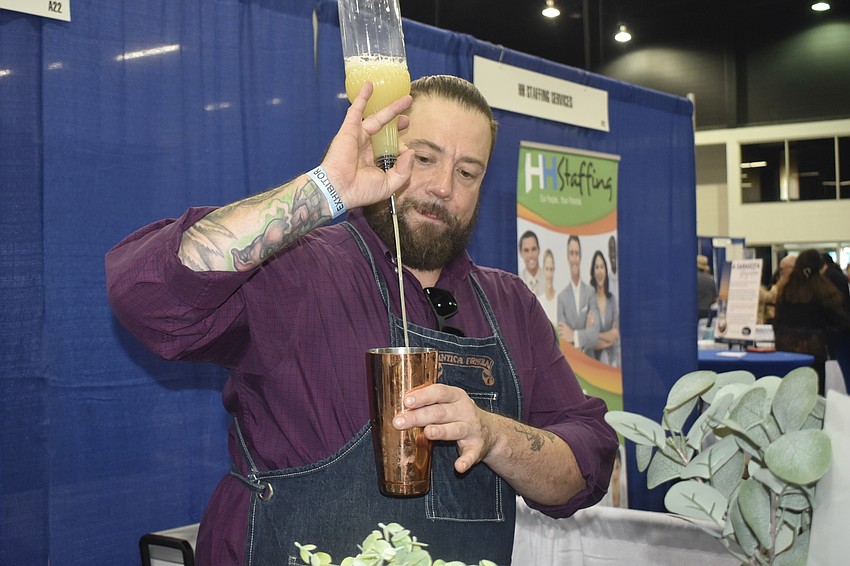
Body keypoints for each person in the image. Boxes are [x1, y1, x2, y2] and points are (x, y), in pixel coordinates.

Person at [106, 76, 618, 565]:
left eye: (467, 172)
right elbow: (148, 295)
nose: (443, 187)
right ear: (386, 149)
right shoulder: (295, 269)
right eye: (424, 158)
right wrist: (322, 191)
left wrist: (495, 434)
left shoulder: (511, 306)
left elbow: (585, 466)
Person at [772, 249, 850, 393]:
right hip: (814, 354)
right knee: (815, 395)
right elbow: (842, 321)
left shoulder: (786, 290)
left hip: (786, 352)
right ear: (820, 267)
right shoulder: (826, 291)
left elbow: (777, 321)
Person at [556, 235, 600, 356]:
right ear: (567, 257)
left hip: (589, 363)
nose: (574, 258)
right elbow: (562, 340)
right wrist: (585, 331)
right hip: (571, 365)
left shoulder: (590, 293)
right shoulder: (561, 298)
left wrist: (573, 335)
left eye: (577, 253)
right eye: (571, 253)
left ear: (580, 257)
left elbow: (595, 334)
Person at [590, 250, 620, 367]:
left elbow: (615, 334)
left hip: (612, 364)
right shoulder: (589, 300)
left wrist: (596, 335)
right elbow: (589, 342)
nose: (599, 271)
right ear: (593, 272)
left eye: (602, 267)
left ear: (606, 270)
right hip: (593, 364)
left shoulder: (612, 300)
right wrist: (608, 340)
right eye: (596, 267)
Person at [537, 248, 557, 324]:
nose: (549, 275)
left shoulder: (560, 299)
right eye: (547, 269)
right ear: (543, 270)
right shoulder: (538, 301)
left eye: (551, 269)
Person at [518, 230, 541, 294]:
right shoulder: (517, 282)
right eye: (526, 250)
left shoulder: (548, 278)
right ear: (520, 253)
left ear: (539, 250)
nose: (530, 255)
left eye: (533, 249)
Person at [696, 254, 717, 321]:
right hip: (706, 313)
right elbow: (715, 298)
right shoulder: (710, 280)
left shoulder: (691, 279)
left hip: (693, 312)